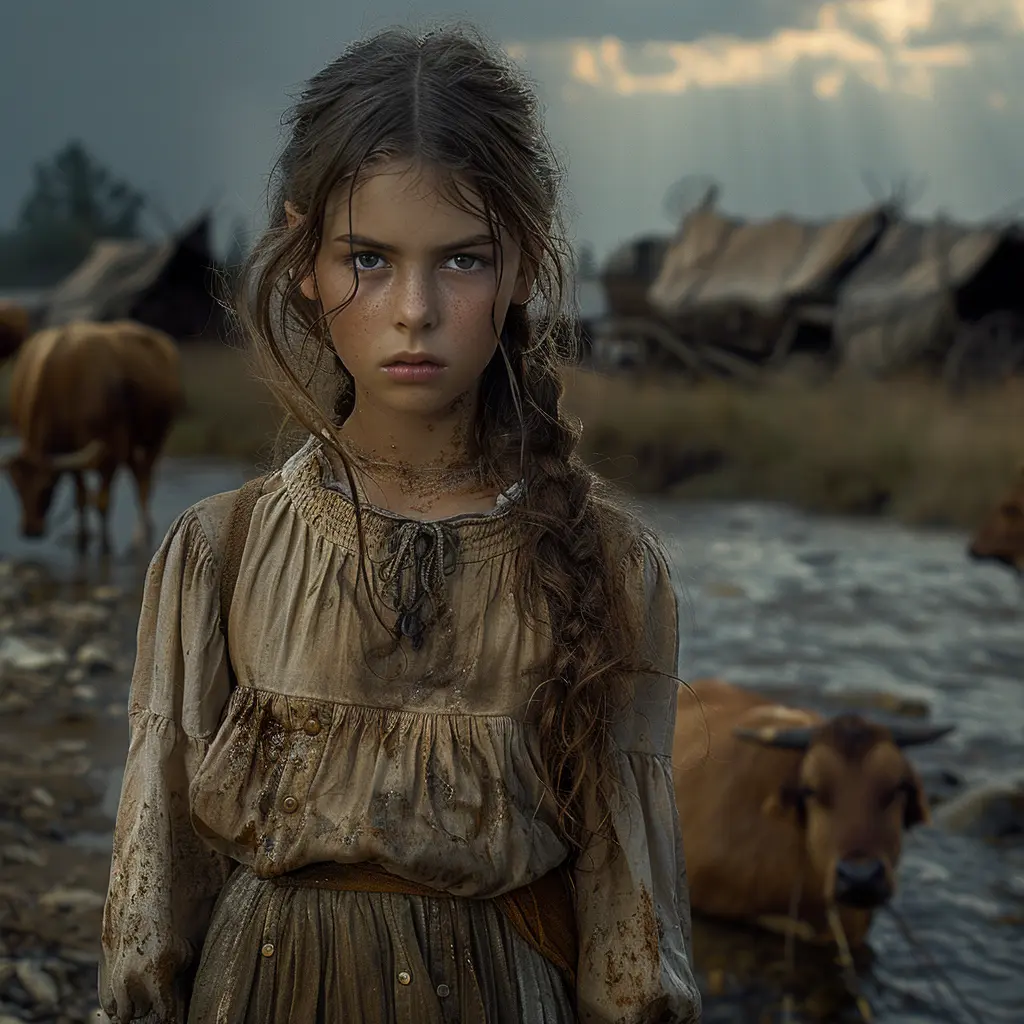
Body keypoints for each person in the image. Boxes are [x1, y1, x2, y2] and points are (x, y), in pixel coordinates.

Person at [98, 24, 702, 1024]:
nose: (413, 309)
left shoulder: (610, 563)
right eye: (369, 259)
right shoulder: (221, 551)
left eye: (462, 260)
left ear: (522, 264)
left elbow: (629, 915)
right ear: (304, 258)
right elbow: (155, 882)